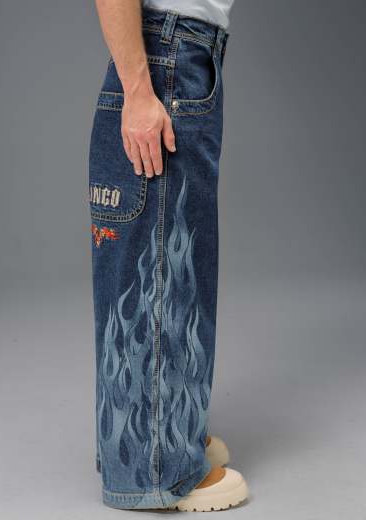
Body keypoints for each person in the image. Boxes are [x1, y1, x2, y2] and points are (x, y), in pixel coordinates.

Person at [89, 0, 249, 511]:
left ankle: (169, 434)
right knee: (160, 268)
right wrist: (139, 92)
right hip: (165, 61)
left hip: (180, 55)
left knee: (178, 263)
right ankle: (157, 469)